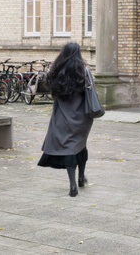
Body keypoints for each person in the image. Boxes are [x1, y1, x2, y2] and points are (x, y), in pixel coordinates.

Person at [37, 42, 95, 197]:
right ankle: (81, 177)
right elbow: (91, 92)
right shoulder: (84, 72)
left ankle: (73, 185)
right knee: (80, 145)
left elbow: (51, 92)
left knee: (69, 147)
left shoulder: (56, 72)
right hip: (82, 117)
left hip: (62, 116)